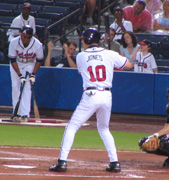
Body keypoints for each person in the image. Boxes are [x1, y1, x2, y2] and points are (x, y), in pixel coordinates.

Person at [49, 28, 133, 173]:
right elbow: (129, 65)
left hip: (91, 94)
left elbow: (83, 70)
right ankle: (115, 162)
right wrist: (111, 56)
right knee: (104, 129)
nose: (82, 41)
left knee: (72, 127)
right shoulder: (110, 53)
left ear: (87, 40)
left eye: (83, 39)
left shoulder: (81, 56)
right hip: (106, 96)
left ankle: (62, 161)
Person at [9, 25, 44, 122]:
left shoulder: (37, 44)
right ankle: (16, 112)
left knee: (27, 87)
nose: (22, 38)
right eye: (22, 35)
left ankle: (25, 113)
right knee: (15, 86)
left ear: (30, 37)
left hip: (30, 64)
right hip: (17, 64)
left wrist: (33, 74)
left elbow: (39, 60)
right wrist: (20, 75)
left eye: (25, 36)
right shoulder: (14, 42)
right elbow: (12, 60)